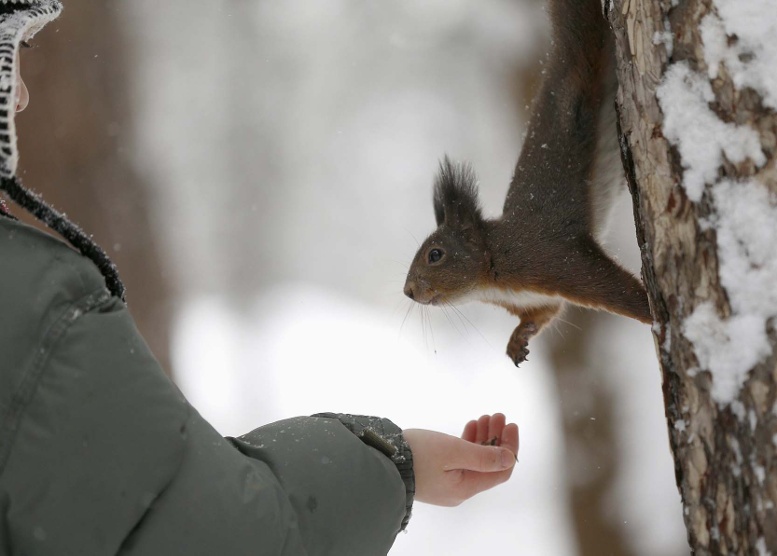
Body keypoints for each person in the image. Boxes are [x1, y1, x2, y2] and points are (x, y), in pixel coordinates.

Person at [0, 1, 519, 555]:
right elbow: (211, 534)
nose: (22, 95)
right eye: (11, 52)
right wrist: (396, 467)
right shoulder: (34, 303)